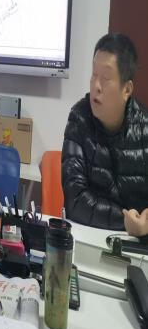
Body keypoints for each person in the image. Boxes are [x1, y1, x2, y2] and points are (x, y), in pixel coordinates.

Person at [62, 33, 148, 237]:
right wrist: (126, 221)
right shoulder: (79, 118)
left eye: (106, 78)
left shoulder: (145, 129)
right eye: (94, 75)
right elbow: (75, 201)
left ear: (127, 89)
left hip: (135, 244)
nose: (96, 86)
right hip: (89, 236)